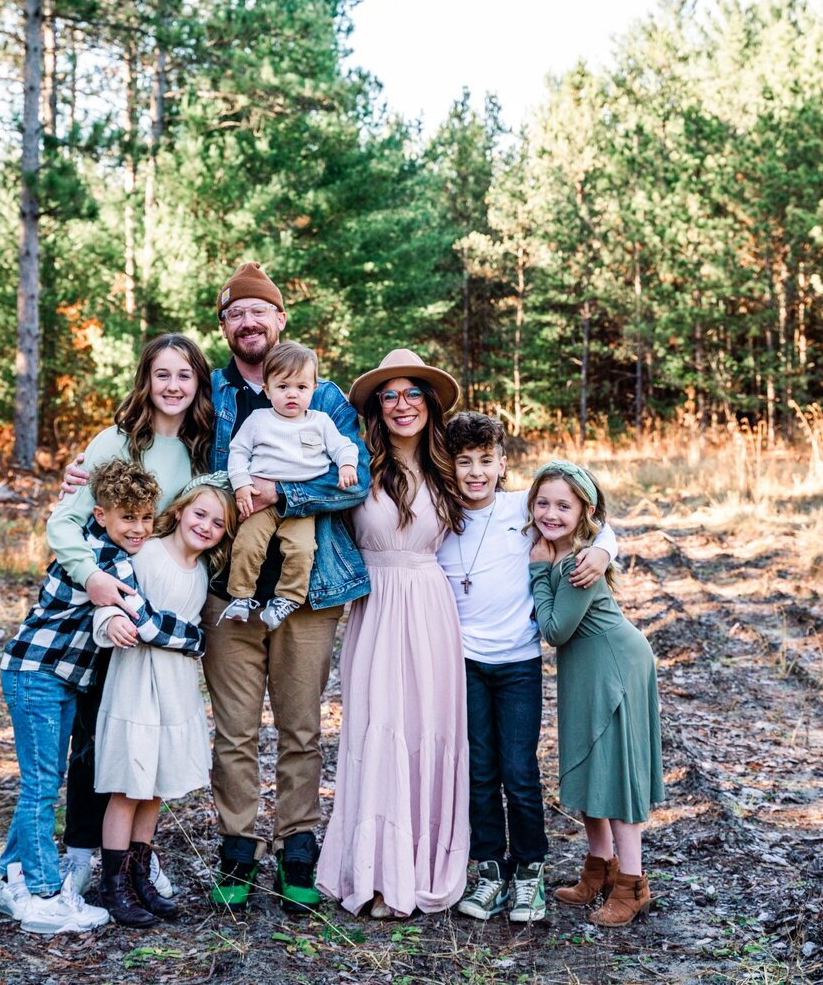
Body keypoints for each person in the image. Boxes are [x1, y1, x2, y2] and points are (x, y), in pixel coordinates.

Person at [62, 261, 370, 914]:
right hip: (225, 589)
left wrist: (282, 492)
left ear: (281, 318)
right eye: (235, 313)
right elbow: (159, 452)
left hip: (309, 589)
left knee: (300, 726)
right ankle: (237, 847)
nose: (248, 321)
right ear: (224, 327)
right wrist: (88, 472)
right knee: (231, 730)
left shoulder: (323, 391)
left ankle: (296, 848)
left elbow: (357, 478)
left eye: (259, 310)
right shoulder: (212, 396)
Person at [0, 459, 201, 935]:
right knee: (42, 787)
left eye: (147, 517)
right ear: (102, 515)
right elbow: (145, 622)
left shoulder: (109, 547)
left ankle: (11, 880)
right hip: (37, 673)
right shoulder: (100, 557)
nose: (139, 528)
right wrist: (195, 637)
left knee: (44, 780)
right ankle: (44, 898)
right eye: (128, 517)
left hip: (59, 677)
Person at [51, 333, 213, 902]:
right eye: (162, 374)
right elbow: (63, 524)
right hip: (106, 604)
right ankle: (80, 859)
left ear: (198, 385)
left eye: (184, 376)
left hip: (164, 616)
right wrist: (94, 581)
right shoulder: (113, 443)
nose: (173, 386)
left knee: (148, 740)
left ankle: (134, 866)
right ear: (146, 380)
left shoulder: (201, 452)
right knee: (97, 736)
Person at [439, 413, 618, 924]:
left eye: (486, 461)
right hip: (465, 664)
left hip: (517, 663)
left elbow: (599, 520)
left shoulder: (523, 506)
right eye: (464, 462)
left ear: (502, 464)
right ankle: (490, 869)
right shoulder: (442, 513)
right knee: (479, 770)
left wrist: (603, 551)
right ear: (449, 467)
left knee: (519, 771)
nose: (475, 473)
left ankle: (529, 871)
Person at [317, 349, 470, 919]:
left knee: (427, 729)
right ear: (377, 408)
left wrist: (604, 545)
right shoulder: (355, 464)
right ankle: (375, 873)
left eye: (412, 394)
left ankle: (420, 869)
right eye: (390, 395)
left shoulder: (452, 469)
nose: (402, 405)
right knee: (378, 727)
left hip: (431, 609)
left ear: (428, 404)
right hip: (375, 608)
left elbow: (528, 514)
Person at [92, 475, 235, 927]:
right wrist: (192, 638)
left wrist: (188, 640)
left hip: (173, 689)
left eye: (218, 523)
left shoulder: (204, 573)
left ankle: (140, 878)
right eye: (200, 513)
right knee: (127, 784)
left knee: (154, 786)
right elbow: (128, 612)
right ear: (178, 511)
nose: (206, 526)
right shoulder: (147, 554)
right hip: (136, 683)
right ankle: (112, 885)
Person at [526, 461, 665, 928]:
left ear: (584, 511)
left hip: (613, 666)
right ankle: (599, 868)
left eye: (564, 505)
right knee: (589, 765)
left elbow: (554, 629)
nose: (551, 513)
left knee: (618, 776)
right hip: (587, 669)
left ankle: (632, 884)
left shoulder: (575, 563)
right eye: (542, 502)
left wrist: (538, 573)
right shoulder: (572, 551)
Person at [222, 341, 359, 630]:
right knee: (247, 544)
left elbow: (343, 447)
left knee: (302, 549)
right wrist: (242, 485)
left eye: (301, 387)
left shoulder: (320, 422)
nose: (292, 394)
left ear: (313, 389)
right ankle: (240, 596)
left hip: (300, 506)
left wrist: (347, 465)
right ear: (268, 390)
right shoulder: (258, 420)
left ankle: (288, 597)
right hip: (258, 500)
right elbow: (237, 453)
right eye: (283, 387)